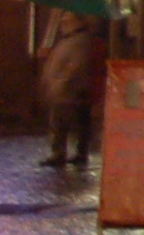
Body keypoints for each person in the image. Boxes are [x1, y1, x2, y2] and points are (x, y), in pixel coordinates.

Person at [37, 11, 104, 168]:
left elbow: (75, 65)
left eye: (66, 21)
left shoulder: (81, 40)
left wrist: (61, 82)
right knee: (68, 121)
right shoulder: (68, 40)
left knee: (64, 121)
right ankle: (74, 152)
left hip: (70, 90)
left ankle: (64, 153)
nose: (63, 24)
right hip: (64, 89)